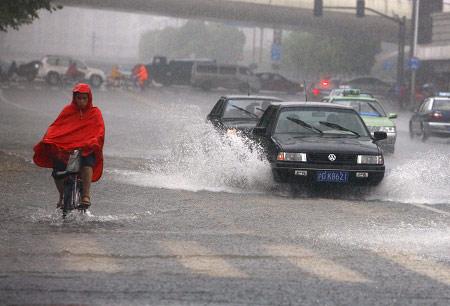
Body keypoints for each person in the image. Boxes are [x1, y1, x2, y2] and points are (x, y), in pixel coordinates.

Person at [33, 83, 105, 209]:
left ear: (89, 99)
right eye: (79, 98)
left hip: (86, 148)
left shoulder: (95, 113)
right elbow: (56, 127)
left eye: (84, 98)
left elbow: (99, 131)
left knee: (87, 163)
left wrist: (92, 142)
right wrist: (49, 139)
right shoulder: (67, 111)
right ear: (74, 98)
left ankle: (86, 196)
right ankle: (61, 195)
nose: (81, 101)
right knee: (57, 170)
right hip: (66, 149)